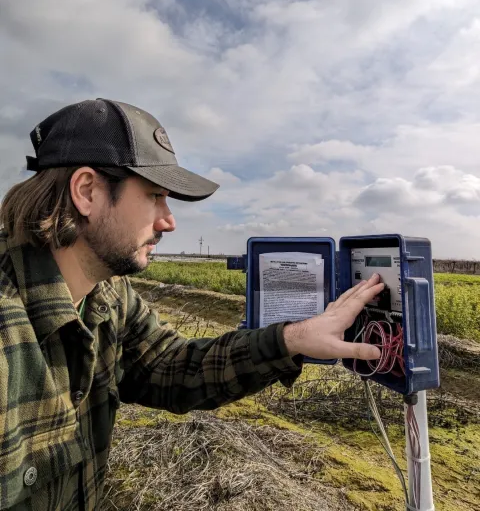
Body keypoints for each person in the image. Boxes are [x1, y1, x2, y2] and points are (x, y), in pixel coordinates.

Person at [0, 98, 383, 510]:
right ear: (87, 191)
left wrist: (293, 339)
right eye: (154, 196)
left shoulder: (109, 295)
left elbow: (174, 366)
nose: (169, 220)